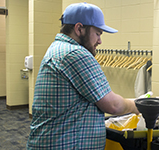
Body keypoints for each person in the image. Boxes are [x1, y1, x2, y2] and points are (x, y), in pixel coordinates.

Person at [26, 2, 139, 150]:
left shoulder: (58, 49)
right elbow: (113, 105)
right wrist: (140, 105)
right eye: (98, 33)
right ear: (79, 28)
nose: (100, 41)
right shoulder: (75, 54)